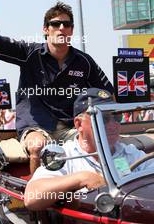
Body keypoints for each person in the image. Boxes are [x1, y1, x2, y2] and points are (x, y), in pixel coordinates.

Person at [0, 0, 114, 173]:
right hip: (37, 126)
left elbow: (108, 96)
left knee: (101, 144)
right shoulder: (29, 53)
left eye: (67, 24)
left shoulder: (84, 62)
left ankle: (96, 194)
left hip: (71, 126)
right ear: (46, 29)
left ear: (71, 30)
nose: (61, 28)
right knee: (38, 147)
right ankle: (38, 197)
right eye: (55, 24)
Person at [24, 88, 154, 210]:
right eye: (103, 118)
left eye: (117, 117)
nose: (113, 125)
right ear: (79, 124)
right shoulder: (66, 155)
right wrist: (82, 178)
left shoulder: (128, 153)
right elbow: (31, 197)